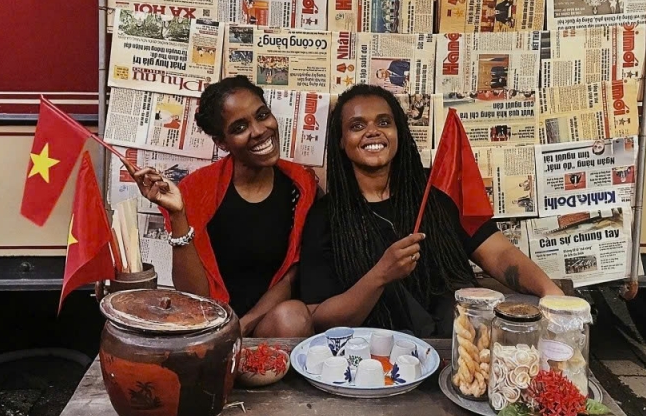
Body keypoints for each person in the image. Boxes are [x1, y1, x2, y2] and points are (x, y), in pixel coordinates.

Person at [299, 84, 562, 336]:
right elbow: (320, 317)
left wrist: (551, 293)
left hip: (457, 350)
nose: (373, 132)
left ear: (398, 132)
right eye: (357, 126)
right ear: (341, 142)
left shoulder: (434, 195)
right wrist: (380, 275)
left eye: (384, 122)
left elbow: (500, 253)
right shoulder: (325, 217)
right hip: (375, 358)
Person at [127, 75, 316, 337]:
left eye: (262, 115)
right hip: (210, 325)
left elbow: (291, 275)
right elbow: (193, 297)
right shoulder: (196, 190)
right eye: (239, 128)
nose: (259, 131)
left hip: (266, 325)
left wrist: (244, 324)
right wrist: (178, 214)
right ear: (221, 142)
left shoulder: (301, 186)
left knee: (293, 316)